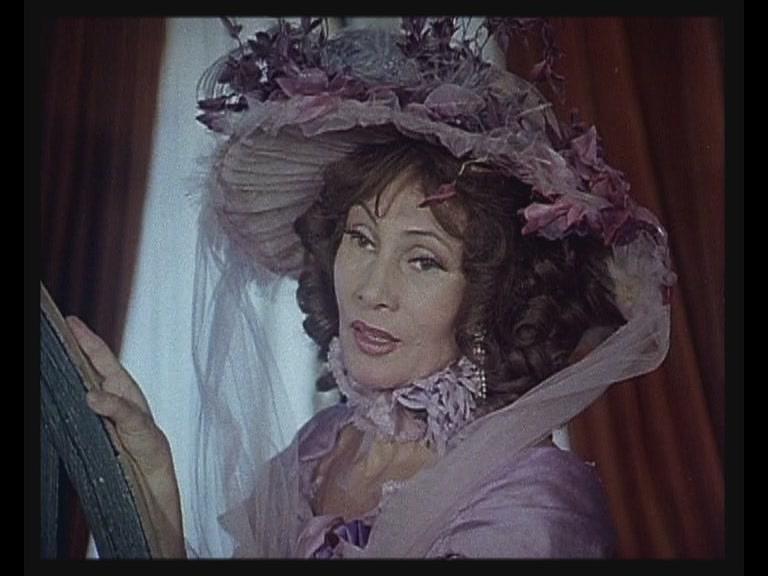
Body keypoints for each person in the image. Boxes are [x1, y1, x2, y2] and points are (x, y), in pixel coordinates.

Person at [68, 17, 676, 558]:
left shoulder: (534, 504)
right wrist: (153, 484)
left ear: (495, 295)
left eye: (423, 261)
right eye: (360, 239)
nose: (371, 290)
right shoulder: (320, 449)